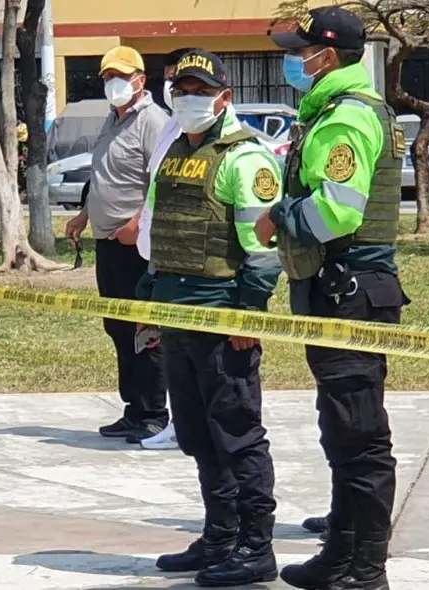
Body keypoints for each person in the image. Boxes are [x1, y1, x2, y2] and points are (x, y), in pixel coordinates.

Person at [257, 8, 408, 589]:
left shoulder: (345, 119)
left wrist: (280, 217)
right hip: (338, 288)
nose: (292, 59)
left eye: (300, 50)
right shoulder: (332, 109)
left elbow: (337, 211)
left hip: (350, 289)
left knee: (361, 432)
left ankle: (367, 569)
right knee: (340, 426)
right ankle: (340, 554)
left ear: (328, 55)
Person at [139, 50, 283, 587]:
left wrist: (248, 316)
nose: (187, 98)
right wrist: (148, 302)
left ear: (224, 96)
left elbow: (264, 250)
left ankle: (255, 545)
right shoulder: (174, 150)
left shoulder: (247, 159)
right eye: (180, 88)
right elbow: (163, 232)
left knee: (237, 433)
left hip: (222, 317)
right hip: (176, 315)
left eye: (200, 89)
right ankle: (219, 535)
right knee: (197, 434)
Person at [63, 46, 171, 443]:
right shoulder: (112, 120)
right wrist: (84, 214)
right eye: (107, 76)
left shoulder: (154, 122)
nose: (113, 83)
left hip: (136, 246)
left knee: (145, 329)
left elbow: (161, 183)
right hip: (107, 243)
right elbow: (104, 177)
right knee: (118, 327)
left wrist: (138, 223)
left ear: (141, 80)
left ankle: (155, 412)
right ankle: (134, 407)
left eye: (120, 76)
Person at [134, 46, 197, 451]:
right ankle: (179, 421)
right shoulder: (173, 130)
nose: (176, 91)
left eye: (186, 84)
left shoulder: (199, 135)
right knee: (172, 349)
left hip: (195, 263)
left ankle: (187, 422)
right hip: (162, 258)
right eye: (174, 83)